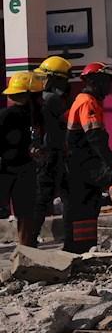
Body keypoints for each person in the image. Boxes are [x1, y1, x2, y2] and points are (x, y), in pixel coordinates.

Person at [63, 62, 112, 252]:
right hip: (84, 163)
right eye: (107, 82)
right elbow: (95, 138)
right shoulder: (87, 102)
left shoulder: (86, 100)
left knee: (87, 206)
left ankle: (82, 248)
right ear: (96, 81)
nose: (109, 87)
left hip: (79, 164)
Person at [0, 72, 44, 246]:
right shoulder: (7, 116)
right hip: (6, 168)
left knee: (26, 212)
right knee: (25, 212)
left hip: (23, 168)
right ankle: (26, 248)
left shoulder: (35, 116)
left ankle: (26, 250)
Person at [32, 55, 72, 239]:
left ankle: (30, 239)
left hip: (44, 154)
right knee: (64, 196)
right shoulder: (52, 100)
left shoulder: (39, 98)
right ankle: (70, 238)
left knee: (42, 199)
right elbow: (66, 123)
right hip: (54, 155)